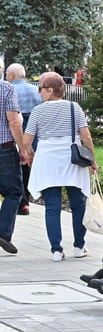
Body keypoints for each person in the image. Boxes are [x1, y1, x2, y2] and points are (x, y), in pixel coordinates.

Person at [21, 72, 97, 261]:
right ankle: (79, 246)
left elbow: (27, 140)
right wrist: (92, 160)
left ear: (50, 90)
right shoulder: (74, 107)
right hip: (71, 158)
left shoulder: (38, 111)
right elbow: (86, 136)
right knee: (78, 203)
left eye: (40, 88)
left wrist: (30, 155)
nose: (38, 92)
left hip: (47, 160)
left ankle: (56, 249)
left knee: (52, 206)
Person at [5, 63, 41, 216]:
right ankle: (27, 196)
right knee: (28, 164)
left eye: (7, 75)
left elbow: (12, 119)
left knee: (18, 165)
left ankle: (23, 201)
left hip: (16, 129)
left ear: (12, 76)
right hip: (33, 129)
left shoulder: (9, 89)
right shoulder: (36, 90)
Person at [0, 64, 28, 255]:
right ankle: (3, 232)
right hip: (4, 149)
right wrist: (23, 148)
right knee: (14, 192)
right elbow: (14, 121)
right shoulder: (6, 88)